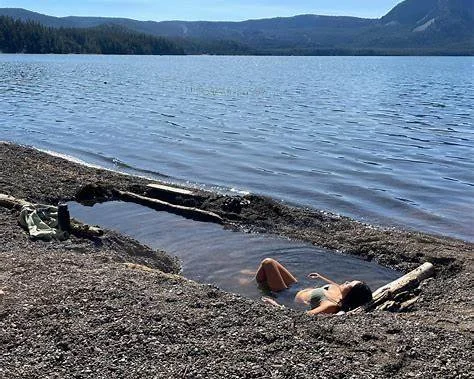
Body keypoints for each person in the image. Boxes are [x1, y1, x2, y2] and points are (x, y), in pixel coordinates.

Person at [255, 258, 372, 315]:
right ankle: (253, 278)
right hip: (296, 286)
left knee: (268, 263)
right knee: (272, 264)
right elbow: (331, 285)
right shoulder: (339, 291)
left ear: (350, 294)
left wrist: (276, 306)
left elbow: (304, 317)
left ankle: (254, 282)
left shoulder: (330, 305)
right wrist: (320, 276)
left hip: (286, 294)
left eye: (349, 284)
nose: (346, 282)